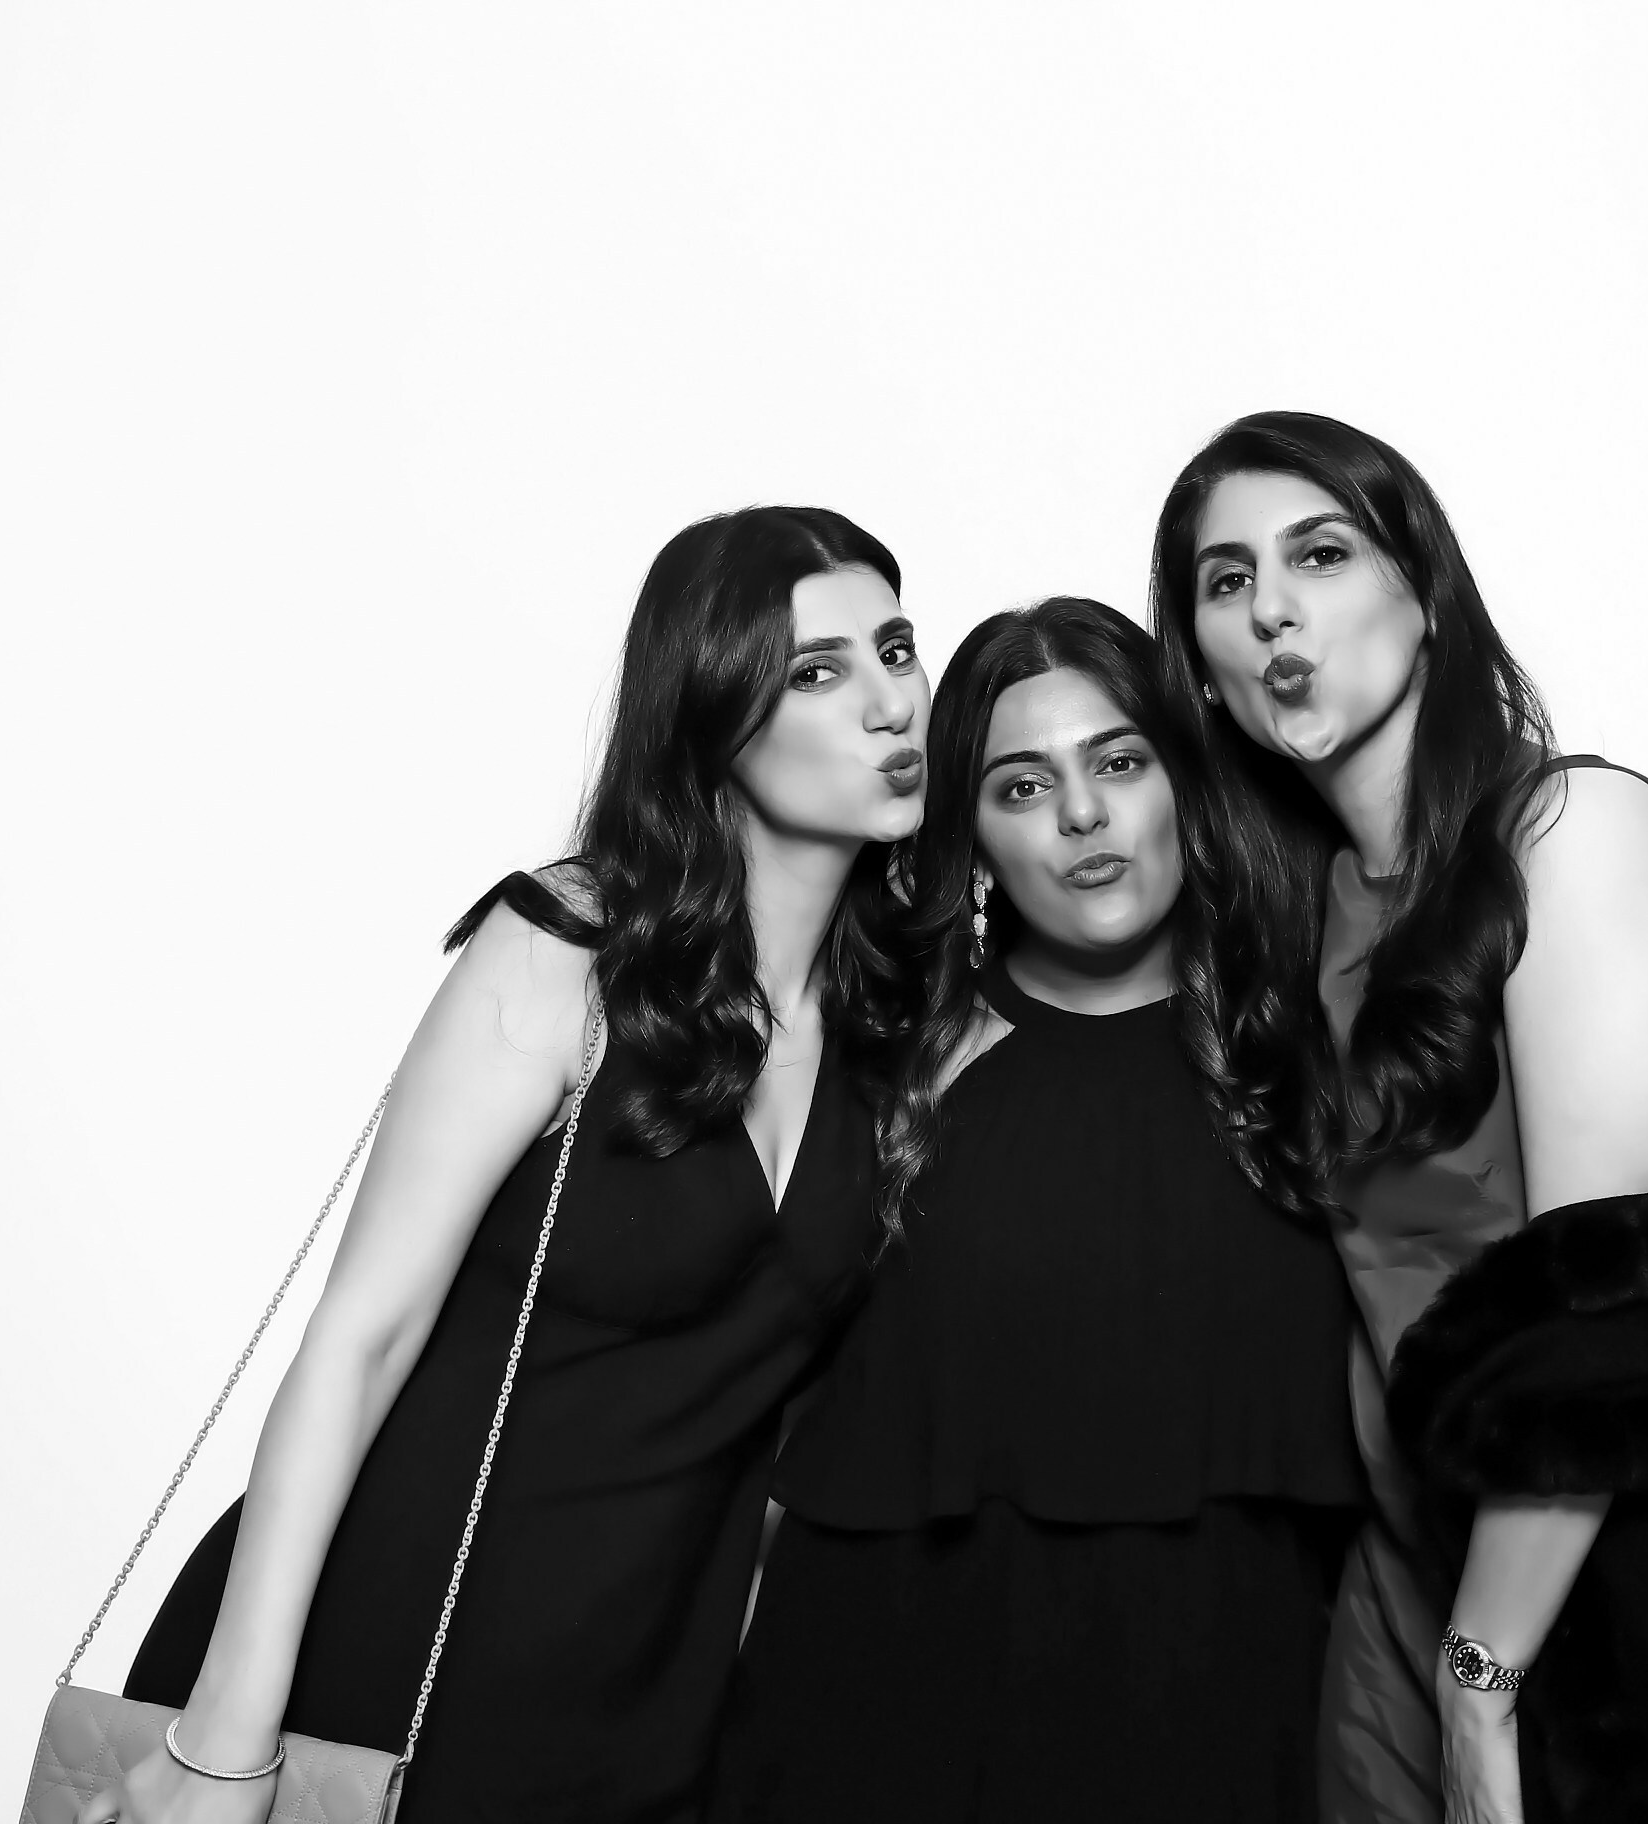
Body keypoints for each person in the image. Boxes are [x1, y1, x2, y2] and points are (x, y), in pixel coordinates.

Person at [99, 506, 931, 1824]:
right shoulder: (568, 948)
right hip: (384, 1660)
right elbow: (362, 1338)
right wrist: (226, 1745)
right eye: (819, 672)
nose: (891, 703)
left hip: (645, 1714)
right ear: (714, 716)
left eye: (895, 649)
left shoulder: (889, 1030)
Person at [1149, 413, 1648, 1824]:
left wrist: (1480, 1676)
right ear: (1206, 668)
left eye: (1320, 553)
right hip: (1425, 1550)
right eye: (1226, 582)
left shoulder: (1574, 837)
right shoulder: (1295, 928)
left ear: (1425, 593)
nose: (1273, 608)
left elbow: (1605, 1312)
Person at [710, 598, 1368, 1823]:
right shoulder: (883, 1070)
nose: (1080, 815)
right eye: (1021, 786)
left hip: (1237, 1716)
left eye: (1119, 763)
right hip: (882, 1723)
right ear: (969, 837)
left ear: (1186, 785)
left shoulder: (1313, 1051)